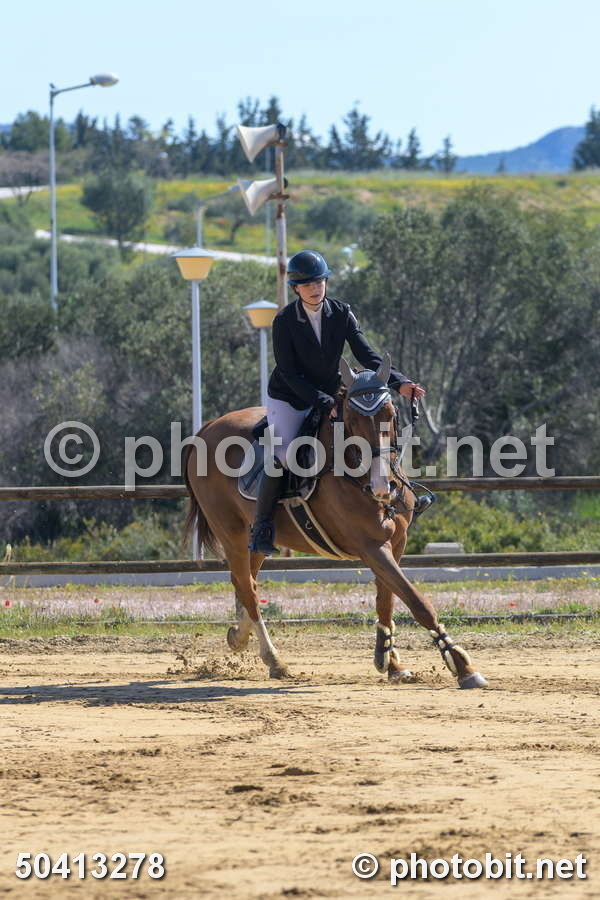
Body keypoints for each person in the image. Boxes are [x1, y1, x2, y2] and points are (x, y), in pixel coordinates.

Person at [248, 250, 426, 554]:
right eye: (307, 284)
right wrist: (323, 402)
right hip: (291, 397)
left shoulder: (342, 312)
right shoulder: (285, 321)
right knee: (284, 455)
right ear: (296, 289)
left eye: (319, 282)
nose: (315, 288)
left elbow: (367, 355)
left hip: (332, 392)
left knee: (371, 435)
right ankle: (262, 526)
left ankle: (400, 495)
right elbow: (289, 373)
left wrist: (400, 383)